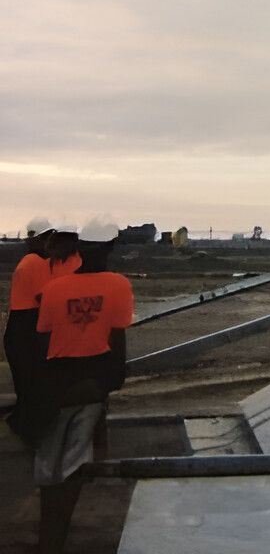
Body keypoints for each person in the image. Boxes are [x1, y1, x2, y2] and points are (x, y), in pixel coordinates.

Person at [33, 224, 132, 554]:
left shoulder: (55, 289)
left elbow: (45, 340)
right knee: (75, 466)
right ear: (109, 248)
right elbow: (117, 342)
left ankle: (50, 536)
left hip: (55, 385)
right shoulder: (118, 286)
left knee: (49, 470)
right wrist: (109, 384)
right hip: (90, 385)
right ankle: (56, 536)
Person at [5, 225, 81, 445]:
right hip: (28, 326)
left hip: (21, 325)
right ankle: (31, 432)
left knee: (27, 384)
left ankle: (24, 424)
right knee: (34, 383)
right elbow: (44, 298)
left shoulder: (32, 261)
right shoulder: (36, 263)